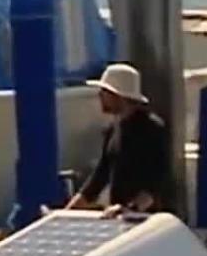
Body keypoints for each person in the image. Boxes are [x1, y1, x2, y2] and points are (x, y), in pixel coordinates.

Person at [67, 63, 173, 216]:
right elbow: (97, 180)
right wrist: (65, 213)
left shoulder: (151, 129)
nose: (100, 96)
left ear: (118, 96)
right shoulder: (113, 130)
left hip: (145, 222)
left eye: (104, 92)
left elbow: (157, 182)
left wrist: (131, 209)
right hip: (119, 219)